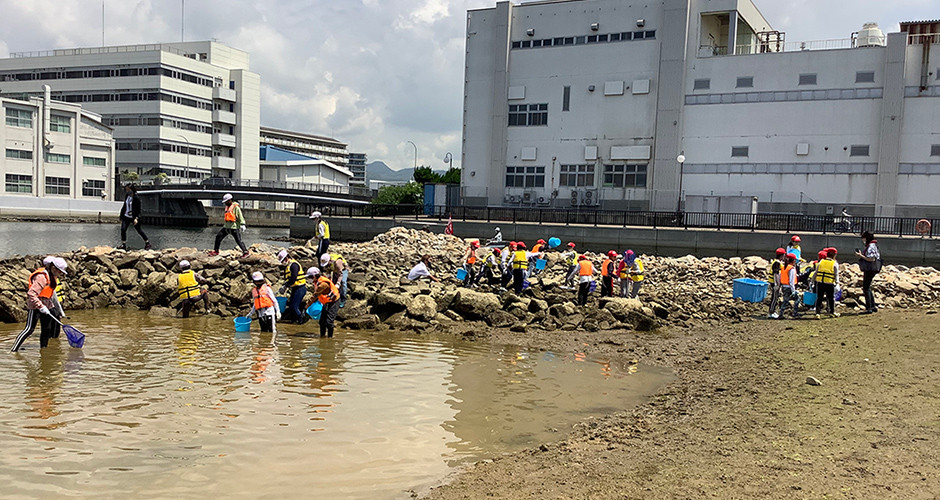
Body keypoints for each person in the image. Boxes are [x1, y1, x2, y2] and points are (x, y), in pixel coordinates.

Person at [11, 257, 68, 352]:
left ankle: (43, 351)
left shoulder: (53, 277)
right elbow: (31, 294)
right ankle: (14, 350)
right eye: (60, 272)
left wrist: (59, 310)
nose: (61, 274)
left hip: (48, 306)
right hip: (35, 306)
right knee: (29, 329)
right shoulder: (41, 277)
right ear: (53, 268)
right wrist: (40, 306)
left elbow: (52, 295)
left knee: (47, 330)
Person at [209, 193, 249, 258]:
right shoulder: (227, 207)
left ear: (230, 200)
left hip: (234, 227)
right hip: (226, 226)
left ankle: (246, 252)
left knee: (238, 240)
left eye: (226, 201)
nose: (225, 203)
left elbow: (240, 216)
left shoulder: (236, 207)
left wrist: (242, 224)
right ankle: (216, 251)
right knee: (218, 237)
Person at [118, 184, 152, 251]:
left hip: (133, 216)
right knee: (123, 229)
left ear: (132, 189)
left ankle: (147, 243)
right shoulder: (127, 196)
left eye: (128, 189)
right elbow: (124, 206)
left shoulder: (136, 198)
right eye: (126, 190)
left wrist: (136, 218)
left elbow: (138, 209)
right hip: (126, 216)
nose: (127, 191)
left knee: (139, 230)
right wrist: (121, 215)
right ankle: (123, 244)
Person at [277, 250, 307, 323]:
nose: (282, 263)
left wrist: (285, 286)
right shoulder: (289, 266)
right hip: (295, 288)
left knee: (294, 307)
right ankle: (293, 321)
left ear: (286, 258)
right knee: (291, 307)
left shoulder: (294, 265)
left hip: (300, 288)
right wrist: (284, 285)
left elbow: (293, 278)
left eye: (282, 261)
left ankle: (301, 321)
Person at [856, 231, 881, 314]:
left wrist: (861, 256)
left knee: (866, 287)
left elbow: (871, 259)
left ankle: (869, 307)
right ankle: (873, 306)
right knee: (868, 287)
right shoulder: (873, 245)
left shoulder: (871, 246)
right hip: (872, 268)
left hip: (870, 268)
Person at [814, 248, 840, 318]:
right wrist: (837, 283)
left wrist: (812, 281)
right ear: (834, 255)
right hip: (829, 283)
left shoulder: (821, 262)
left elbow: (815, 272)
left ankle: (817, 313)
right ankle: (832, 312)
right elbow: (836, 274)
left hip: (820, 282)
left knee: (819, 298)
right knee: (830, 298)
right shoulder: (835, 263)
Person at [314, 272, 341, 338]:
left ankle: (330, 338)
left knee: (329, 321)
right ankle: (322, 337)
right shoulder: (317, 282)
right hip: (326, 301)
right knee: (322, 322)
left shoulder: (324, 283)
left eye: (311, 277)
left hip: (334, 301)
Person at [776, 253, 799, 319]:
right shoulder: (791, 269)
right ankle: (795, 313)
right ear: (793, 260)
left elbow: (780, 277)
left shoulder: (783, 267)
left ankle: (781, 313)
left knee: (785, 300)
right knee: (797, 299)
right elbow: (791, 281)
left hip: (784, 286)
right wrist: (793, 290)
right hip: (789, 287)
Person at [767, 248, 785, 318]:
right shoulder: (776, 263)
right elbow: (776, 274)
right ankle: (771, 312)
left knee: (776, 297)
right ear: (781, 255)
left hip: (776, 283)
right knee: (774, 298)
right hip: (774, 283)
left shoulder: (778, 262)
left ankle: (773, 311)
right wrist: (776, 284)